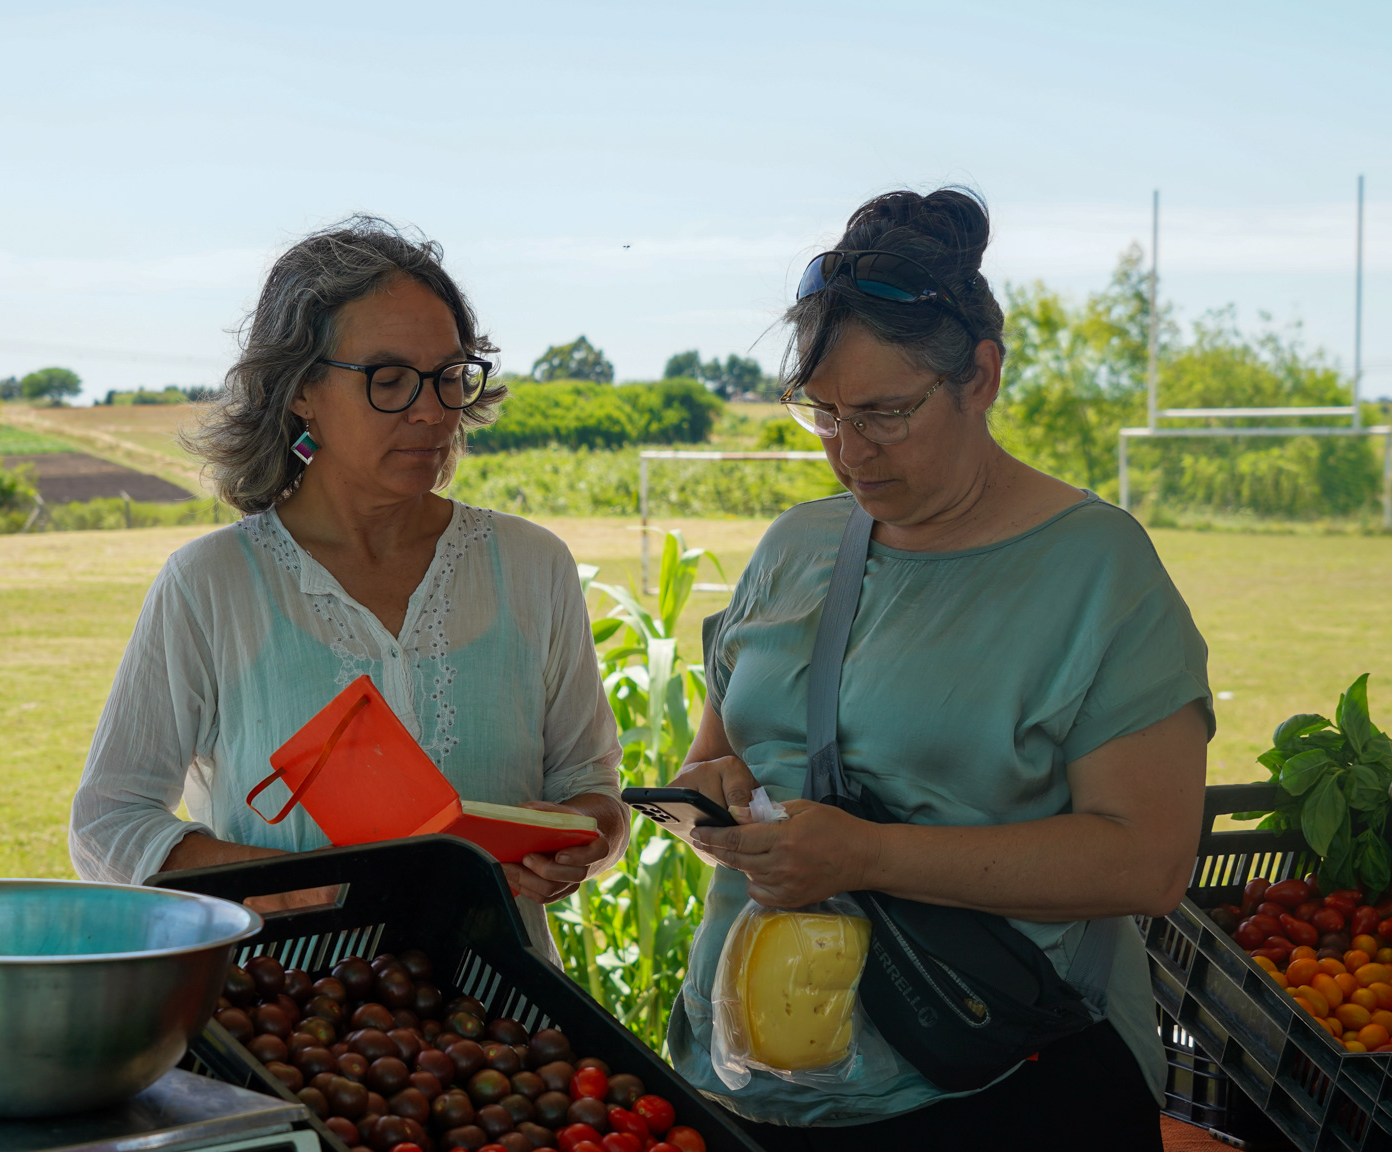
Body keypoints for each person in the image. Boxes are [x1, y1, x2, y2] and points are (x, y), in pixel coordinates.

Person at [664, 188, 1212, 1149]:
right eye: (823, 413)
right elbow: (718, 757)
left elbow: (1148, 861)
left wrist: (868, 857)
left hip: (993, 1086)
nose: (849, 453)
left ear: (981, 377)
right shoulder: (795, 546)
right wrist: (716, 799)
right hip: (751, 1081)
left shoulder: (1096, 569)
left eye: (886, 413)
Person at [69, 217, 627, 955]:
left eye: (449, 376)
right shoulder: (212, 585)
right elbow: (108, 826)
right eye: (388, 380)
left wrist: (584, 838)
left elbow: (594, 789)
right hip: (286, 1011)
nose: (431, 410)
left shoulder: (534, 566)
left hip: (500, 1011)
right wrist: (313, 891)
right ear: (301, 389)